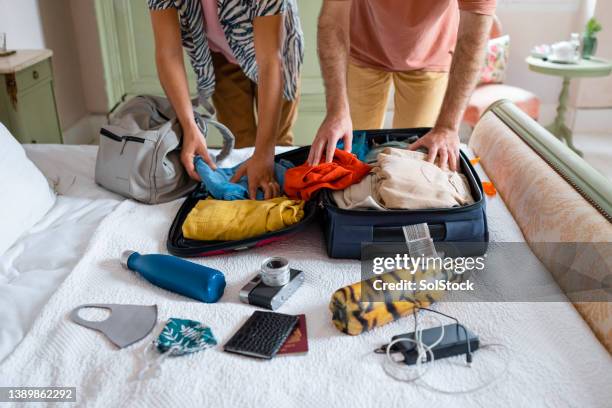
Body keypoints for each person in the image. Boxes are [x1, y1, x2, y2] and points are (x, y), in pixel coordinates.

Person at [309, 0, 496, 171]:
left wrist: (447, 127)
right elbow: (332, 22)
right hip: (363, 46)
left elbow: (473, 39)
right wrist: (336, 111)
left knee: (415, 162)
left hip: (431, 53)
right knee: (350, 155)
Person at [148, 0, 304, 199]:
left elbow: (270, 61)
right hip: (221, 55)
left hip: (277, 52)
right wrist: (189, 127)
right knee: (241, 144)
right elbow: (167, 53)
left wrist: (265, 154)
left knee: (277, 146)